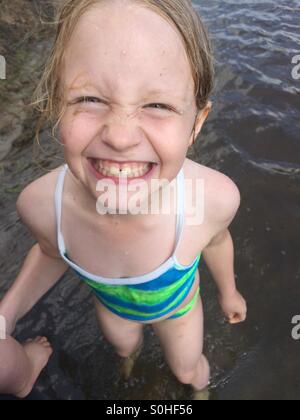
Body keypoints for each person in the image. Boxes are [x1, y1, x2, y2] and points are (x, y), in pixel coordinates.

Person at [0, 0, 247, 399]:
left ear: (196, 124)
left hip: (177, 309)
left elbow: (217, 241)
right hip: (113, 307)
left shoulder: (210, 199)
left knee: (186, 369)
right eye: (89, 99)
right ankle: (130, 366)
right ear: (55, 104)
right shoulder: (42, 206)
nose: (119, 136)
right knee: (123, 348)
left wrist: (228, 291)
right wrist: (6, 314)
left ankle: (199, 393)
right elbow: (49, 253)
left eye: (158, 105)